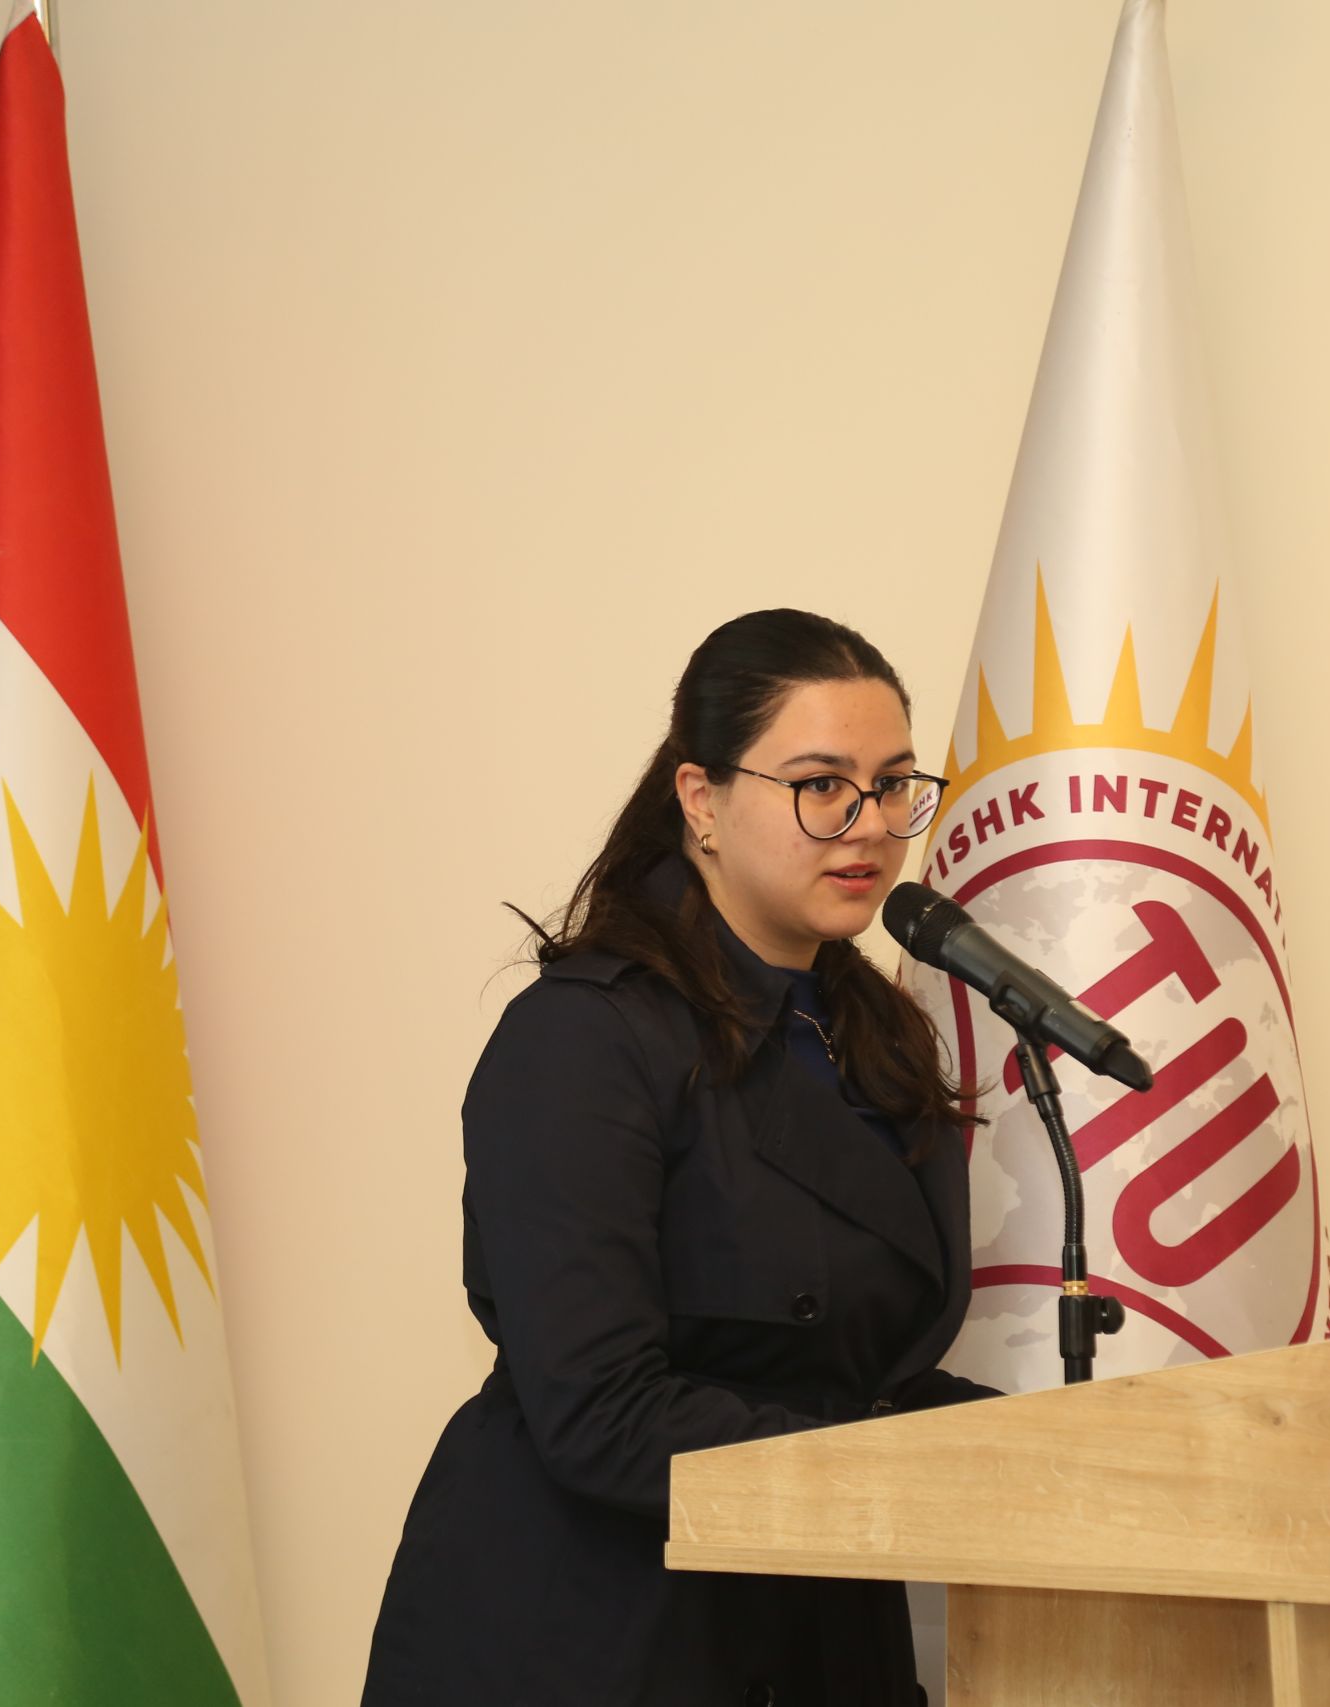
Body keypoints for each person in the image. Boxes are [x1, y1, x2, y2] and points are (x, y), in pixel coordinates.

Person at [361, 609, 1001, 1706]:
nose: (868, 826)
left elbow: (860, 1371)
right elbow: (599, 1411)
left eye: (894, 784)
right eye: (821, 784)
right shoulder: (584, 1038)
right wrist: (900, 1473)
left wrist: (1052, 1445)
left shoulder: (880, 1036)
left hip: (819, 1622)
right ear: (701, 800)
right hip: (601, 1636)